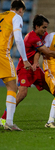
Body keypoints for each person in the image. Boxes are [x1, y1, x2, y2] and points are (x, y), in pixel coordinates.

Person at [0, 14, 55, 129]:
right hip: (25, 68)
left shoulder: (44, 35)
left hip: (36, 69)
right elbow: (47, 52)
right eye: (43, 27)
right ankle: (4, 119)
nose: (45, 30)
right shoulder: (31, 38)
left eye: (46, 27)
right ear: (36, 27)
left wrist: (37, 63)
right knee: (22, 94)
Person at [0, 0, 32, 131]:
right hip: (2, 53)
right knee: (12, 87)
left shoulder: (1, 16)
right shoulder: (16, 17)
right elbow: (18, 38)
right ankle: (9, 122)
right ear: (20, 10)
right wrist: (25, 59)